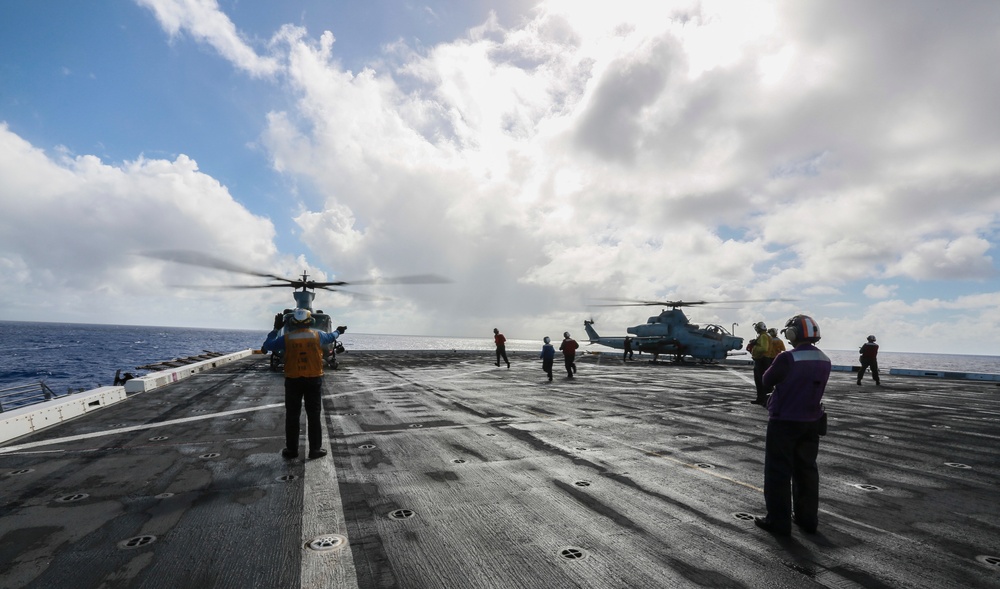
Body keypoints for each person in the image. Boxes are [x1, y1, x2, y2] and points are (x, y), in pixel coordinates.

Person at [754, 314, 831, 536]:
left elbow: (767, 380)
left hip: (784, 421)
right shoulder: (825, 359)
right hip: (811, 422)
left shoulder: (788, 358)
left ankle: (778, 522)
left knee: (778, 472)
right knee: (807, 470)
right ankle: (807, 519)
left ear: (792, 334)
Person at [261, 309, 346, 460]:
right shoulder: (318, 336)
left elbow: (267, 346)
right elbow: (331, 336)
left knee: (292, 416)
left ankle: (292, 450)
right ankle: (315, 450)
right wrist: (339, 331)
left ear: (292, 322)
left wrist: (276, 329)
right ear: (310, 321)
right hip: (313, 380)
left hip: (293, 380)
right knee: (314, 416)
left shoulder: (287, 338)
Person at [750, 321, 773, 406]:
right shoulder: (766, 335)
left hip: (762, 360)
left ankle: (763, 399)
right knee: (761, 381)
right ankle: (761, 399)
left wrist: (755, 346)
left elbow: (764, 348)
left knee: (760, 381)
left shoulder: (763, 336)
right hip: (764, 360)